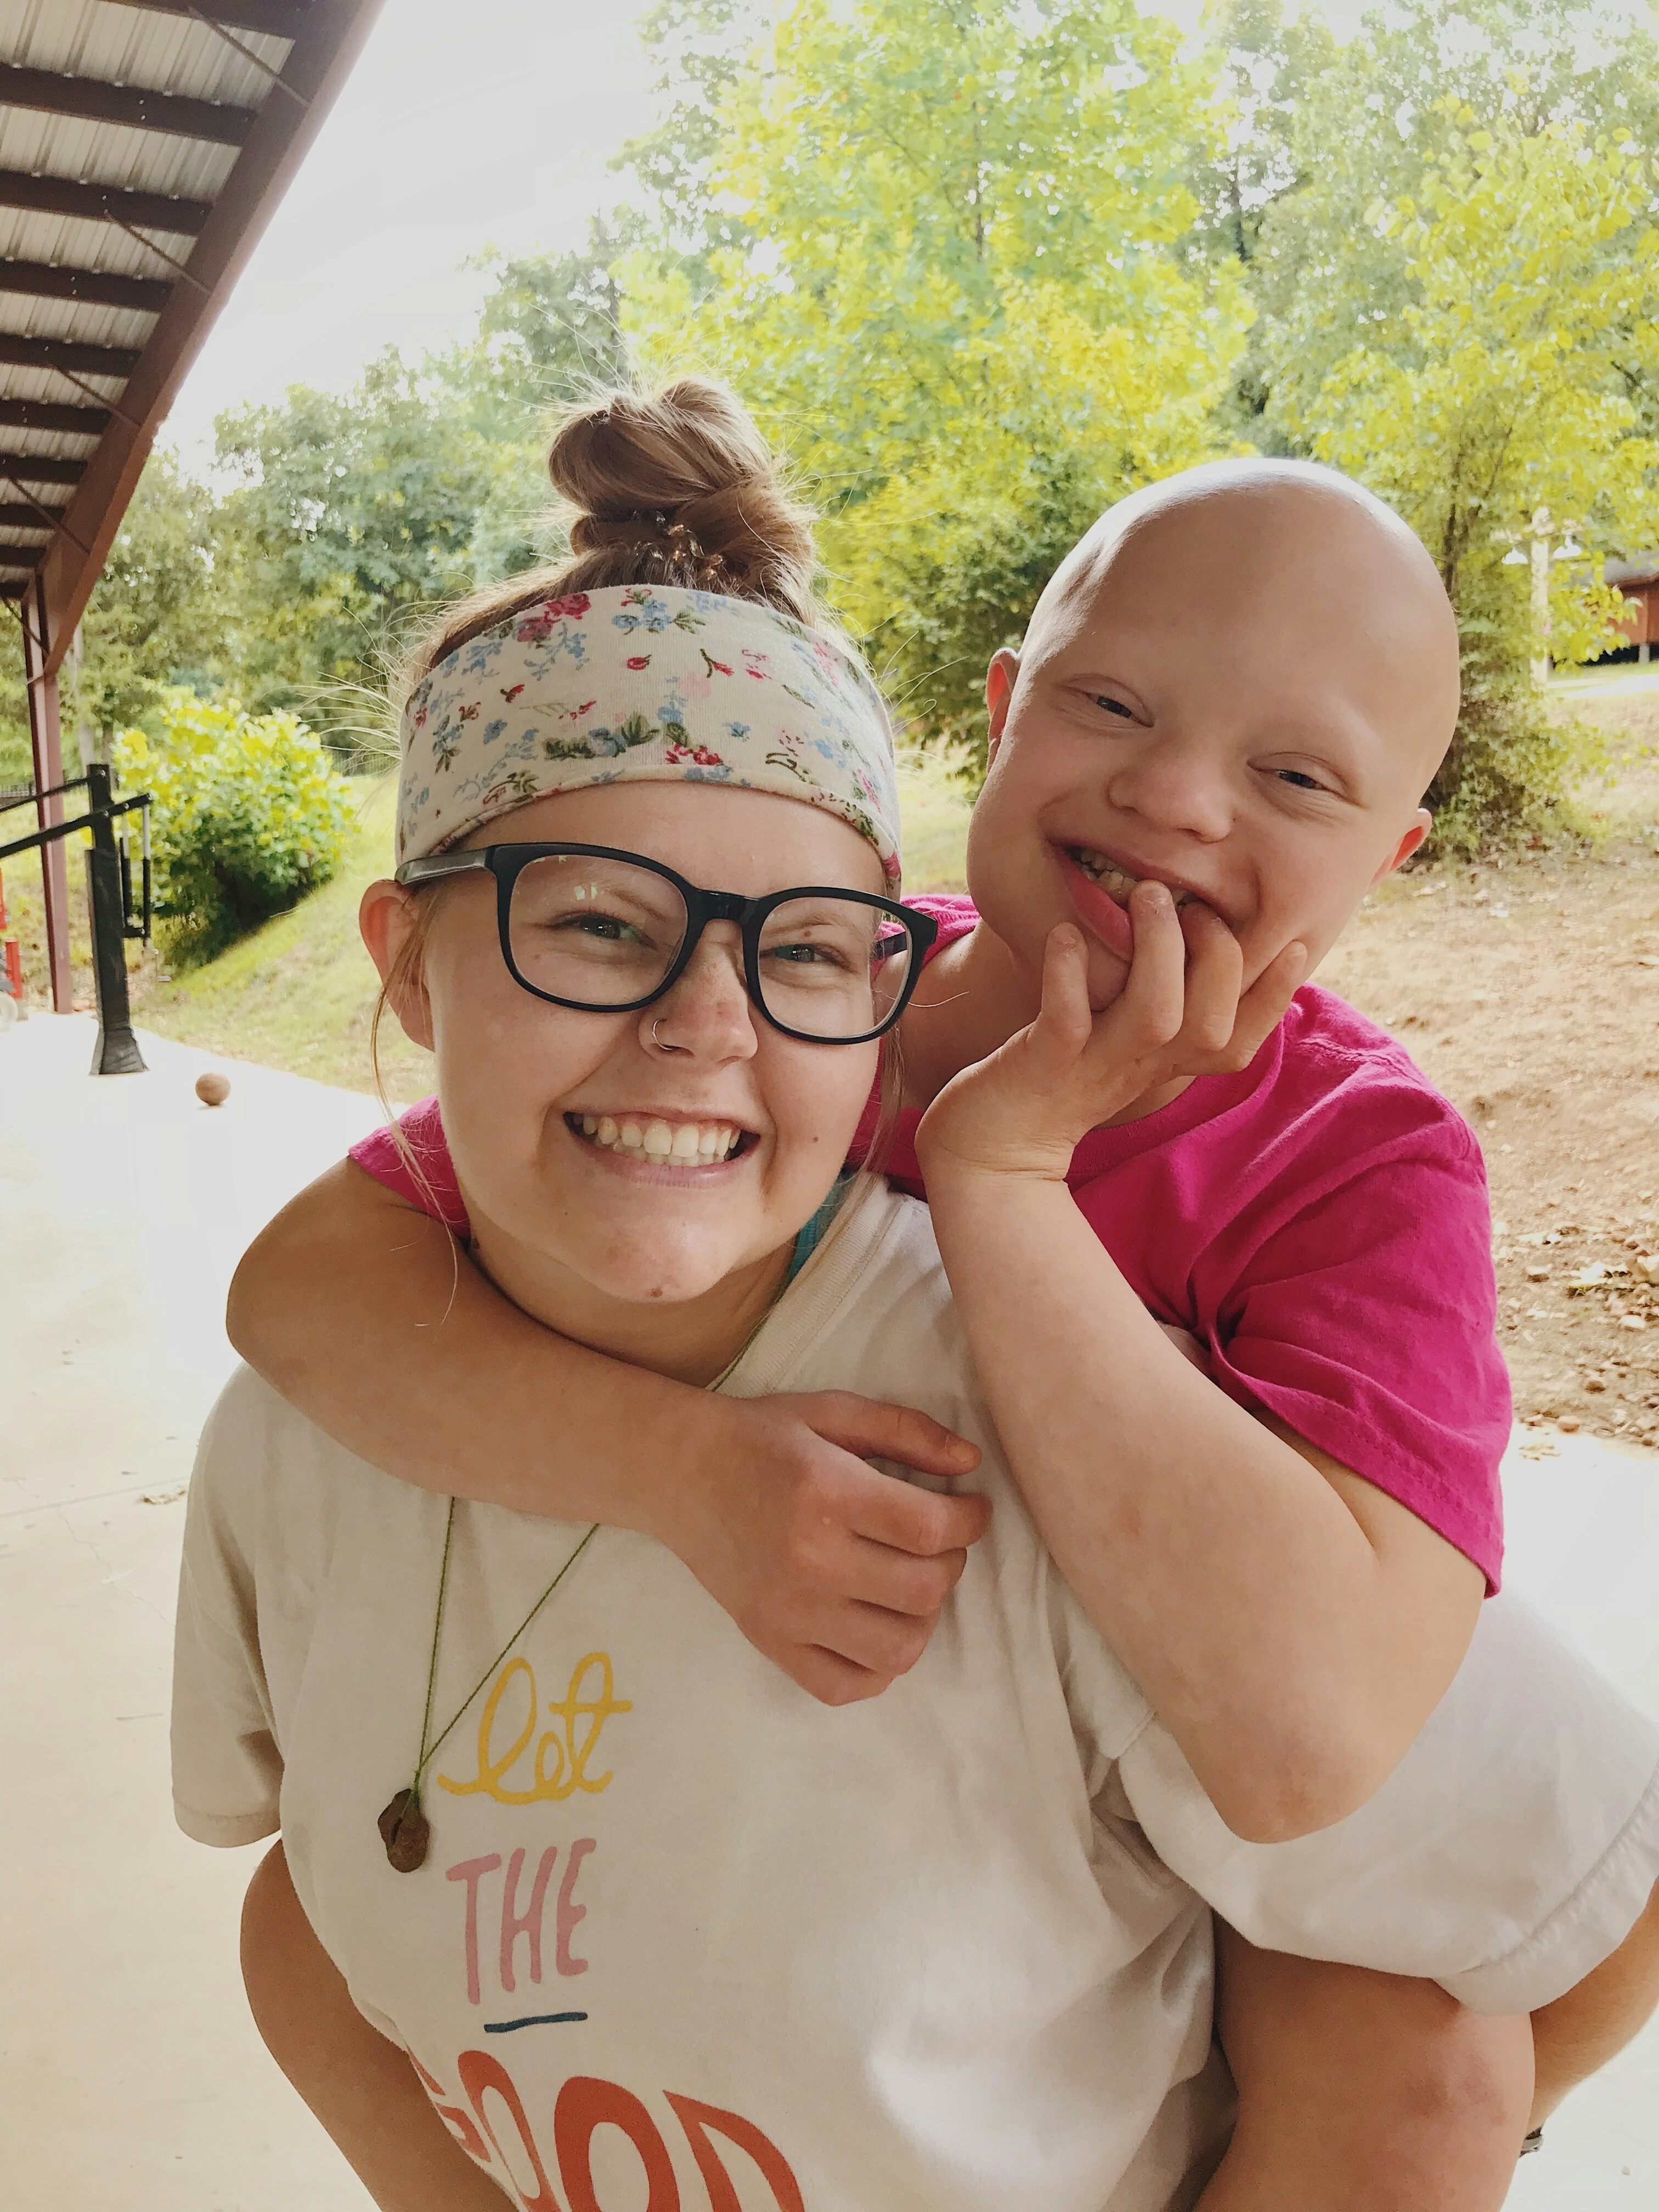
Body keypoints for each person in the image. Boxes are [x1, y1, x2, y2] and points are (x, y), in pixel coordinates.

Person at [215, 382, 1659, 2199]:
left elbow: (1332, 1754)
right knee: (311, 1922)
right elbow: (302, 1290)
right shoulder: (816, 994)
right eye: (1113, 706)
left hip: (1212, 1850)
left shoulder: (1364, 1162)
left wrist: (1000, 1170)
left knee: (1417, 2057)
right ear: (1003, 711)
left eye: (1296, 777)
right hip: (870, 1835)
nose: (1176, 794)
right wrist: (683, 1473)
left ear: (1391, 856)